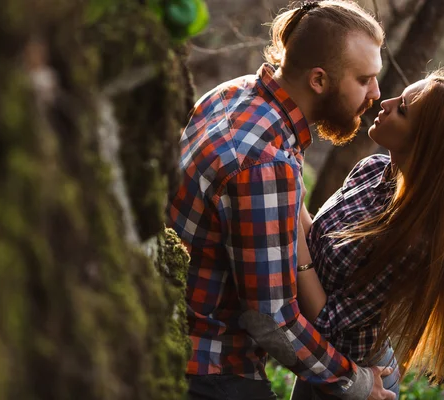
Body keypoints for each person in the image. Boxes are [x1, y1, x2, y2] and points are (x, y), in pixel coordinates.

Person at [167, 1, 397, 399]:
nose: (376, 94)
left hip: (182, 325)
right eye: (364, 80)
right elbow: (270, 321)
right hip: (211, 364)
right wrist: (357, 383)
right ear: (319, 81)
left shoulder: (235, 94)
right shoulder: (264, 163)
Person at [291, 72, 444, 399]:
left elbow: (329, 324)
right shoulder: (371, 170)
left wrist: (291, 232)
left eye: (401, 109)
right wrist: (291, 196)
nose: (384, 103)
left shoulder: (415, 240)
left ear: (426, 143)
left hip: (359, 378)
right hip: (319, 363)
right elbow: (316, 241)